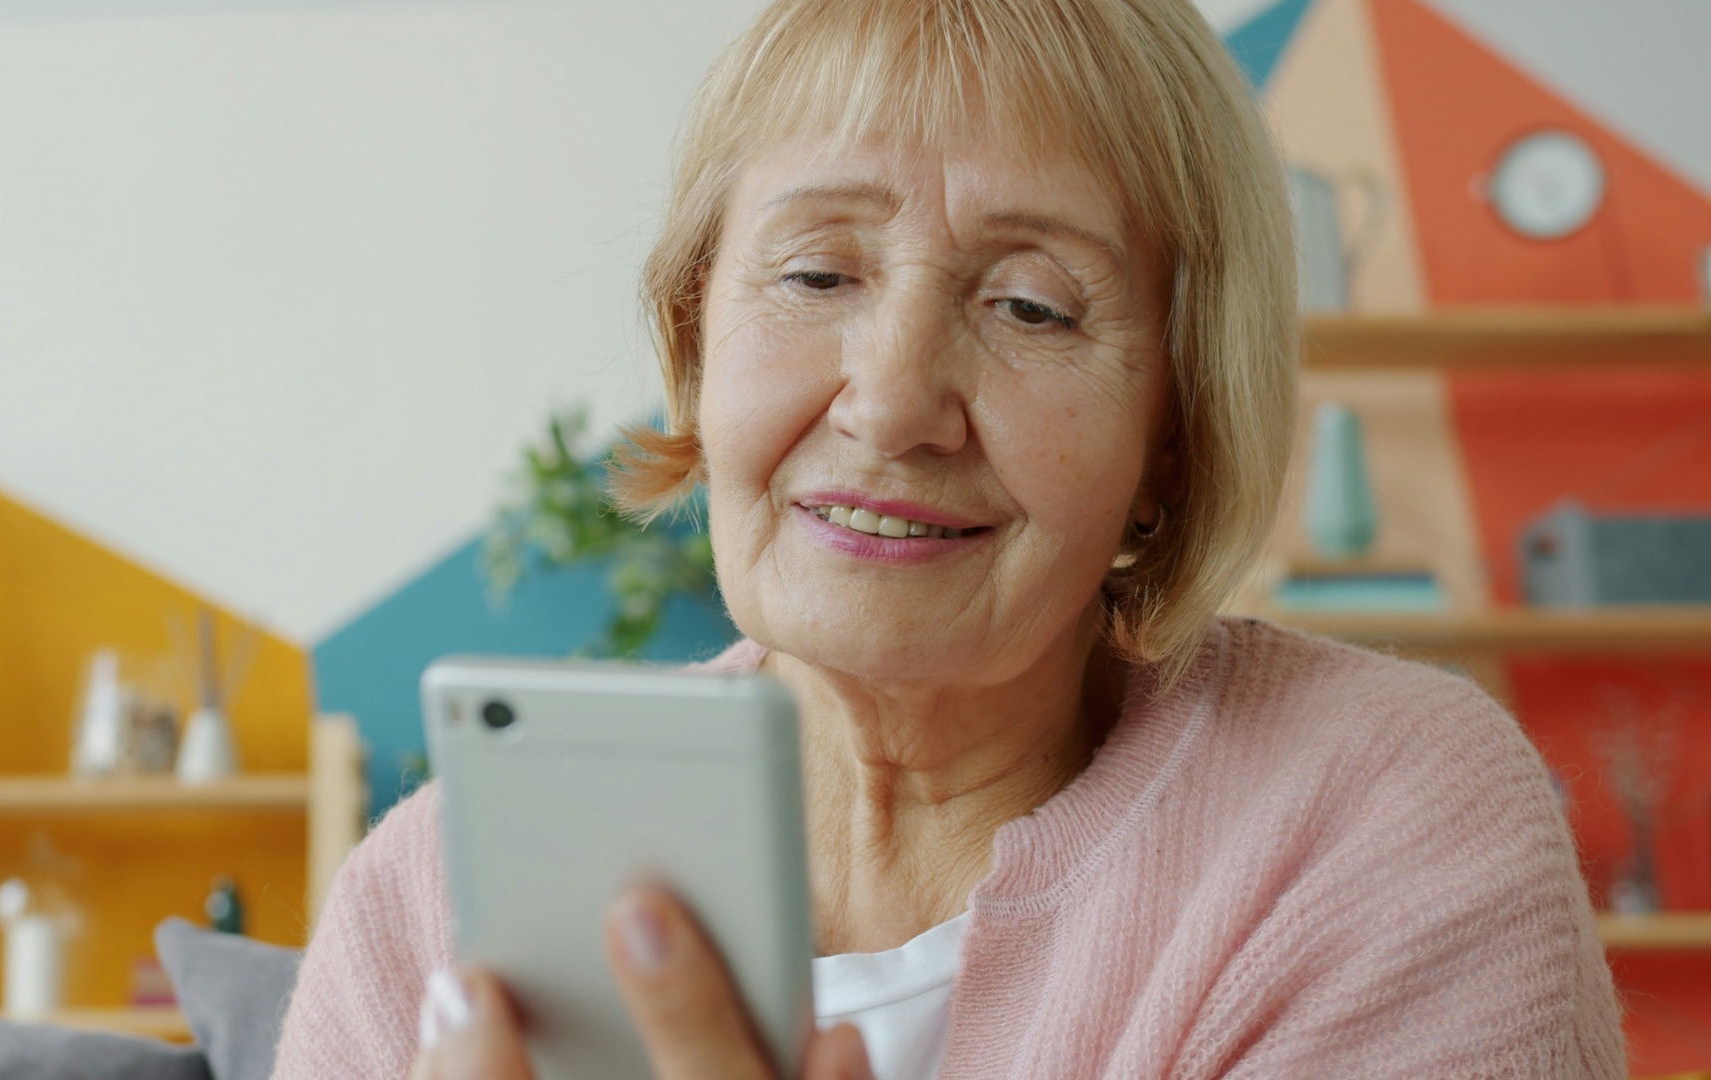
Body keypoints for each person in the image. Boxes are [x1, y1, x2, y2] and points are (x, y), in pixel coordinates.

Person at [271, 0, 1626, 1076]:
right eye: (816, 274)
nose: (891, 402)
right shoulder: (426, 900)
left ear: (1176, 426)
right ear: (694, 343)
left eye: (1032, 306)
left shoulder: (1376, 821)